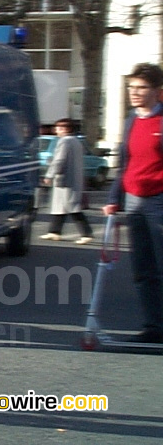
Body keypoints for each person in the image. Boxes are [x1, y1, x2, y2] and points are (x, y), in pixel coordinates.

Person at [103, 62, 163, 344]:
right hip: (134, 201)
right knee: (143, 268)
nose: (135, 92)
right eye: (131, 87)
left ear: (157, 92)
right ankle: (154, 326)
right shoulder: (131, 120)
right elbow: (124, 164)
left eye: (141, 88)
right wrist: (114, 198)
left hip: (159, 201)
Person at [39, 118, 93, 244]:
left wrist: (49, 175)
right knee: (60, 207)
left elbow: (59, 161)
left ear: (65, 129)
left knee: (72, 208)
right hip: (71, 179)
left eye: (58, 128)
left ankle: (86, 233)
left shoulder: (64, 142)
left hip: (65, 180)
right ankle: (54, 231)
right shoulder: (76, 141)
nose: (55, 130)